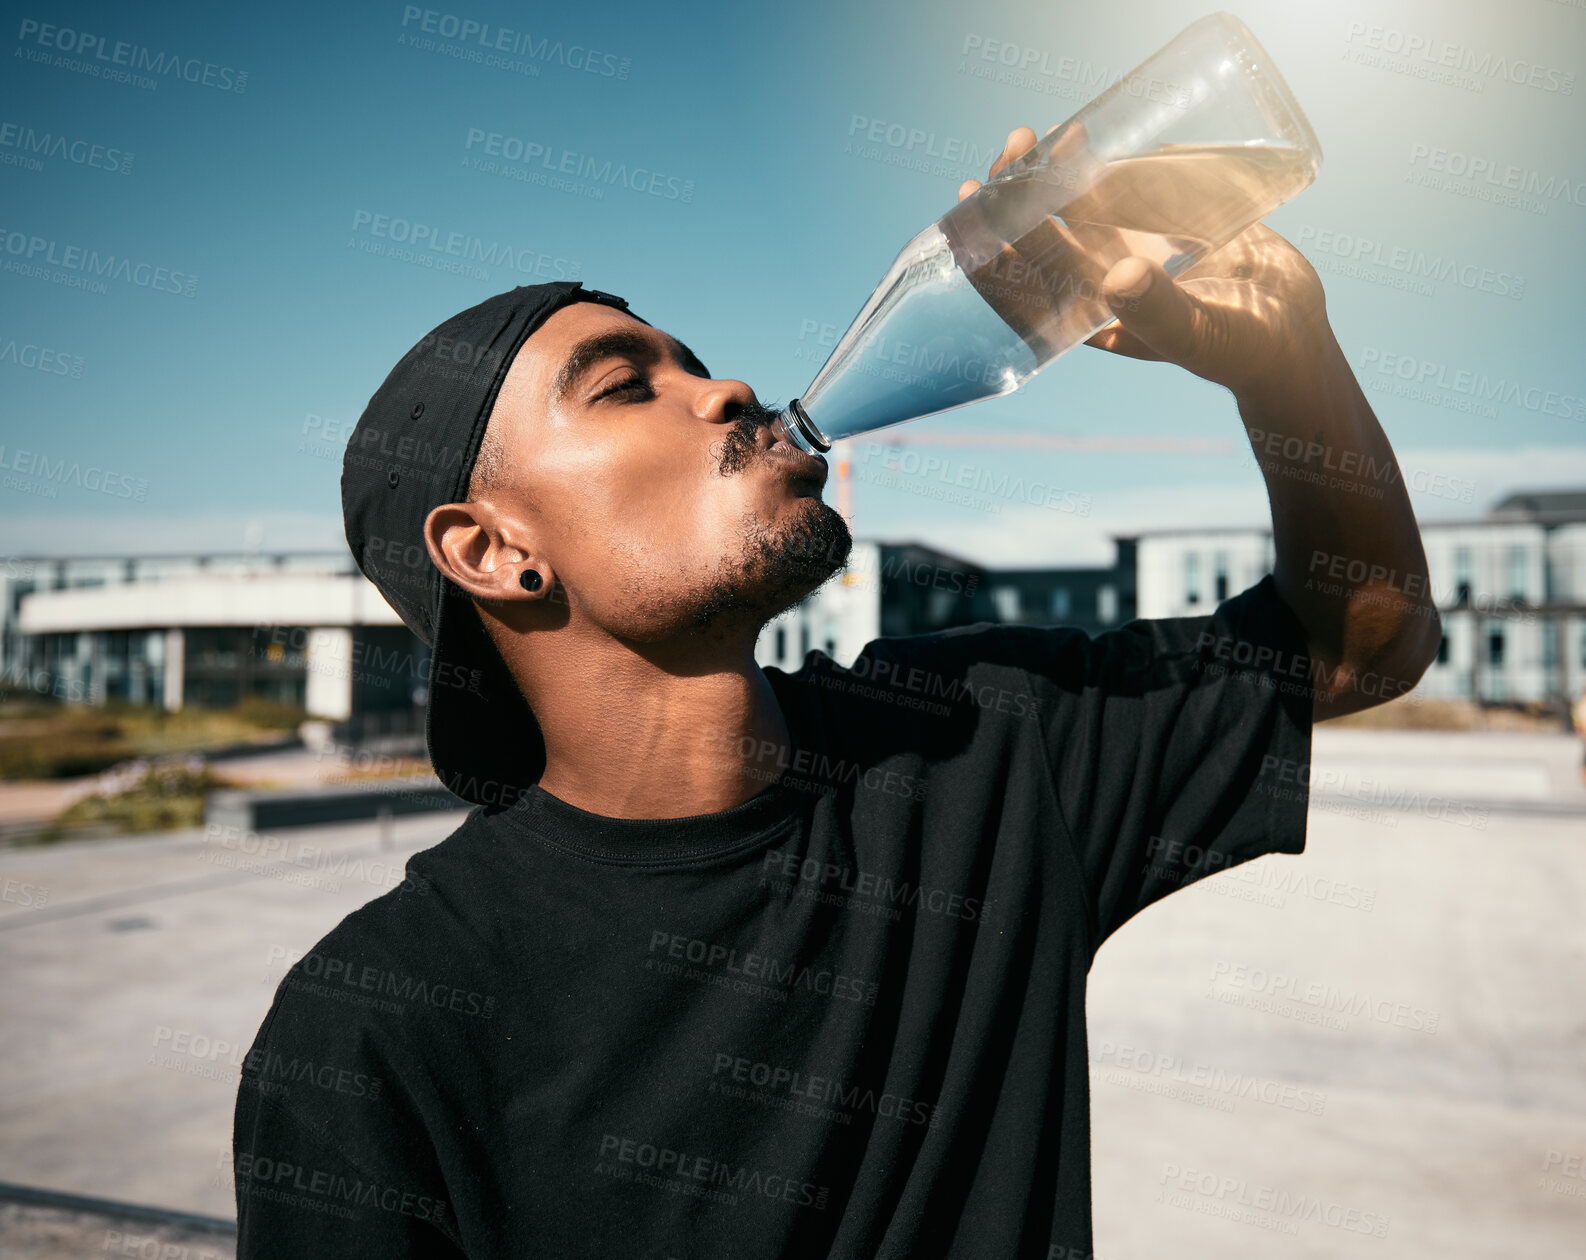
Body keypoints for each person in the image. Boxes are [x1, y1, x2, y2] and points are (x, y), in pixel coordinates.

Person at [233, 125, 1441, 1259]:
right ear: (493, 552)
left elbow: (1354, 645)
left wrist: (1287, 365)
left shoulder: (976, 740)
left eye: (694, 365)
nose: (726, 391)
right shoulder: (373, 1031)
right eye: (622, 386)